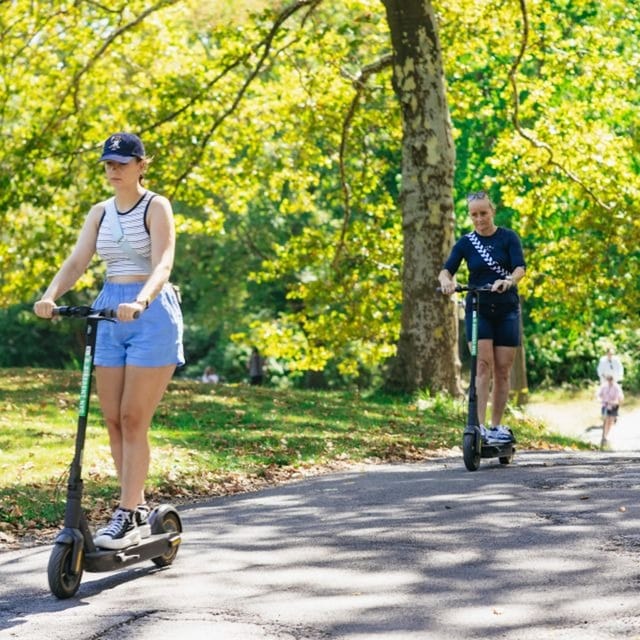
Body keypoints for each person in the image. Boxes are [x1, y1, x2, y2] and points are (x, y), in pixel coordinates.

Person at [33, 132, 184, 550]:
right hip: (108, 311)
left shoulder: (156, 206)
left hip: (149, 313)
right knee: (114, 419)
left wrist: (140, 299)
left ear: (140, 164)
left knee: (135, 418)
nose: (113, 170)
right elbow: (78, 260)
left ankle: (125, 513)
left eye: (121, 162)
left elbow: (164, 262)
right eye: (108, 163)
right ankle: (132, 507)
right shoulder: (99, 213)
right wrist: (50, 296)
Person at [438, 190, 526, 445]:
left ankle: (496, 426)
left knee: (502, 369)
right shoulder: (466, 243)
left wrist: (508, 280)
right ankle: (478, 428)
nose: (479, 219)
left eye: (483, 213)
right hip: (478, 309)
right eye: (474, 214)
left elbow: (520, 268)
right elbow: (447, 270)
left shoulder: (509, 237)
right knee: (482, 366)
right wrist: (446, 283)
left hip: (507, 309)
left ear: (492, 211)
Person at [597, 373, 623, 450]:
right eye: (608, 379)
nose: (610, 381)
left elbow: (620, 396)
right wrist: (600, 400)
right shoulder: (604, 386)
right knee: (606, 420)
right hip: (605, 405)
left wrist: (616, 401)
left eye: (611, 379)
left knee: (610, 421)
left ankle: (606, 436)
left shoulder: (616, 387)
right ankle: (604, 436)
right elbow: (598, 395)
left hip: (613, 406)